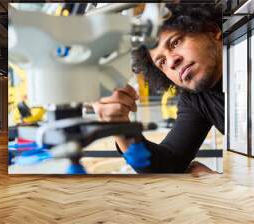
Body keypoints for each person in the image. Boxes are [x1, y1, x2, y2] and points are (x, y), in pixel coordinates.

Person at [93, 4, 224, 173]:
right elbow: (169, 163)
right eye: (161, 62)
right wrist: (119, 127)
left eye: (175, 42)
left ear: (212, 31)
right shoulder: (195, 99)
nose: (171, 62)